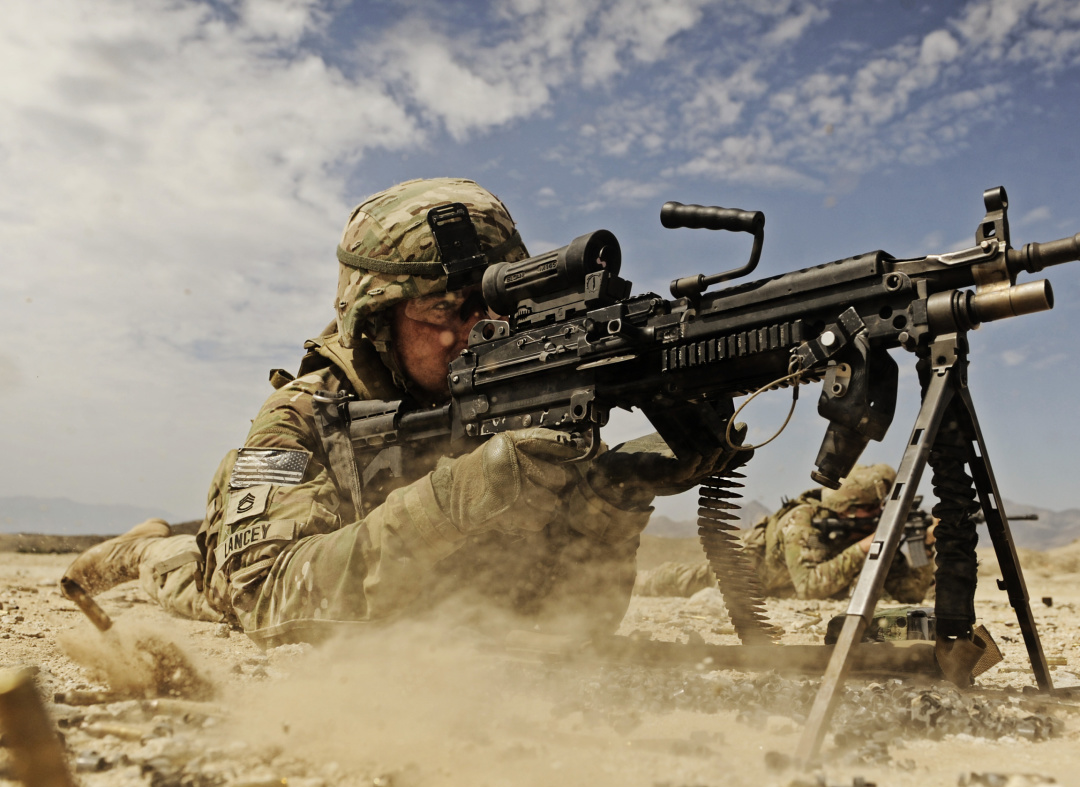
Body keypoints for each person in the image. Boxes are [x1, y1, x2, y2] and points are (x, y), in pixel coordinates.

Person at [63, 178, 732, 646]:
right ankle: (144, 543)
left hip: (418, 598)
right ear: (375, 318)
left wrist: (611, 500)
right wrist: (453, 500)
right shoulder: (298, 418)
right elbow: (264, 601)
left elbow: (568, 620)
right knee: (181, 573)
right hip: (234, 565)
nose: (475, 331)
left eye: (494, 306)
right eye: (445, 310)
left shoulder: (514, 392)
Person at [636, 463, 936, 602]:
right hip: (745, 575)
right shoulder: (802, 520)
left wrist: (925, 547)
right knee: (679, 579)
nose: (880, 519)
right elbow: (808, 586)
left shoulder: (864, 527)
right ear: (851, 508)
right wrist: (863, 548)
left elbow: (910, 594)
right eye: (875, 512)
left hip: (780, 589)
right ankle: (628, 579)